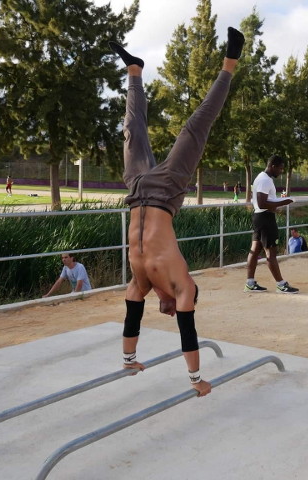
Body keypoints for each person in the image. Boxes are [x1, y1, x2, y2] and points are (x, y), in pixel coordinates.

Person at [110, 27, 245, 397]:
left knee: (131, 132)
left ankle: (134, 71)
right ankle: (230, 63)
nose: (167, 311)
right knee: (195, 127)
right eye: (173, 309)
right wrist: (196, 380)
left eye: (168, 310)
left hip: (136, 189)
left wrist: (128, 360)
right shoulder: (182, 285)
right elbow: (189, 331)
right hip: (167, 190)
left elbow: (131, 317)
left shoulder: (140, 284)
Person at [245, 155, 299, 294]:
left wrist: (278, 201)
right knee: (271, 252)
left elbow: (265, 200)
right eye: (280, 168)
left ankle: (250, 283)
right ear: (273, 166)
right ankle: (281, 284)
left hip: (260, 217)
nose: (281, 171)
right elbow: (263, 203)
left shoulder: (263, 178)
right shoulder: (264, 180)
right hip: (265, 217)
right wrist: (285, 201)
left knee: (255, 249)